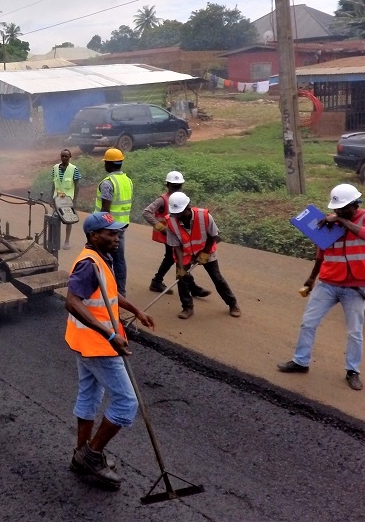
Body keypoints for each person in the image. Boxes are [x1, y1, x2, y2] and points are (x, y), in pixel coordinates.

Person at [65, 211, 154, 490]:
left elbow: (110, 293)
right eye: (111, 233)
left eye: (117, 233)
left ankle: (80, 455)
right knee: (127, 403)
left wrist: (136, 309)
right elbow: (72, 302)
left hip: (85, 343)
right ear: (93, 236)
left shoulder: (102, 259)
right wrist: (111, 334)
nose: (117, 237)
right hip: (98, 345)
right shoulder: (89, 265)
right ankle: (91, 456)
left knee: (90, 395)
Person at [277, 184, 365, 391]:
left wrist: (341, 220)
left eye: (344, 209)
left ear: (355, 204)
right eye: (337, 209)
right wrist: (311, 278)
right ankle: (300, 362)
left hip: (355, 285)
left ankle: (353, 371)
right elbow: (321, 252)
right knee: (308, 323)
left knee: (354, 332)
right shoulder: (328, 220)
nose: (339, 212)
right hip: (328, 283)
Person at [166, 192, 241, 320]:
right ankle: (187, 308)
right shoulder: (171, 221)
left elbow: (214, 236)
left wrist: (205, 253)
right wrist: (180, 266)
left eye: (180, 213)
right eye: (176, 214)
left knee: (217, 278)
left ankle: (233, 304)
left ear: (188, 207)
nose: (178, 216)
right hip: (186, 252)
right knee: (181, 278)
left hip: (206, 250)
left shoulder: (205, 216)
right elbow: (176, 246)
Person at [96, 147, 132, 295]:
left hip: (109, 228)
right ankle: (121, 292)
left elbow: (105, 208)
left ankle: (107, 291)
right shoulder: (127, 180)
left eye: (106, 163)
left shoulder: (108, 183)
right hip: (122, 225)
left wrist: (99, 229)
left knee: (105, 260)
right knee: (119, 260)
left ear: (109, 165)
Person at [52, 149, 81, 249]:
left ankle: (67, 241)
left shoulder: (74, 169)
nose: (64, 158)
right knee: (55, 220)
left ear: (70, 157)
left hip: (68, 200)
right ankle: (55, 240)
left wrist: (75, 200)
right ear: (60, 156)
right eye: (62, 156)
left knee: (68, 220)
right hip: (57, 199)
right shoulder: (55, 168)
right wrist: (51, 198)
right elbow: (53, 184)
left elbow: (77, 186)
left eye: (66, 156)